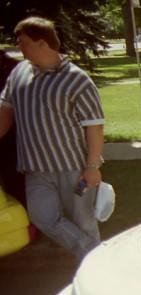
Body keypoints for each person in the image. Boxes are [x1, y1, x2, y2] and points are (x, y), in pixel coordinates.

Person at [0, 17, 103, 261]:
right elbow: (4, 113)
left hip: (73, 167)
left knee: (85, 222)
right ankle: (92, 255)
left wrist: (92, 167)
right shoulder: (19, 73)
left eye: (23, 42)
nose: (19, 47)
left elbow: (94, 127)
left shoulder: (77, 79)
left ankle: (93, 269)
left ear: (42, 43)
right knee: (42, 217)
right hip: (35, 168)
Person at [0, 49, 25, 210]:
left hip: (11, 140)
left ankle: (27, 227)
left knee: (15, 185)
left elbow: (7, 113)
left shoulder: (13, 70)